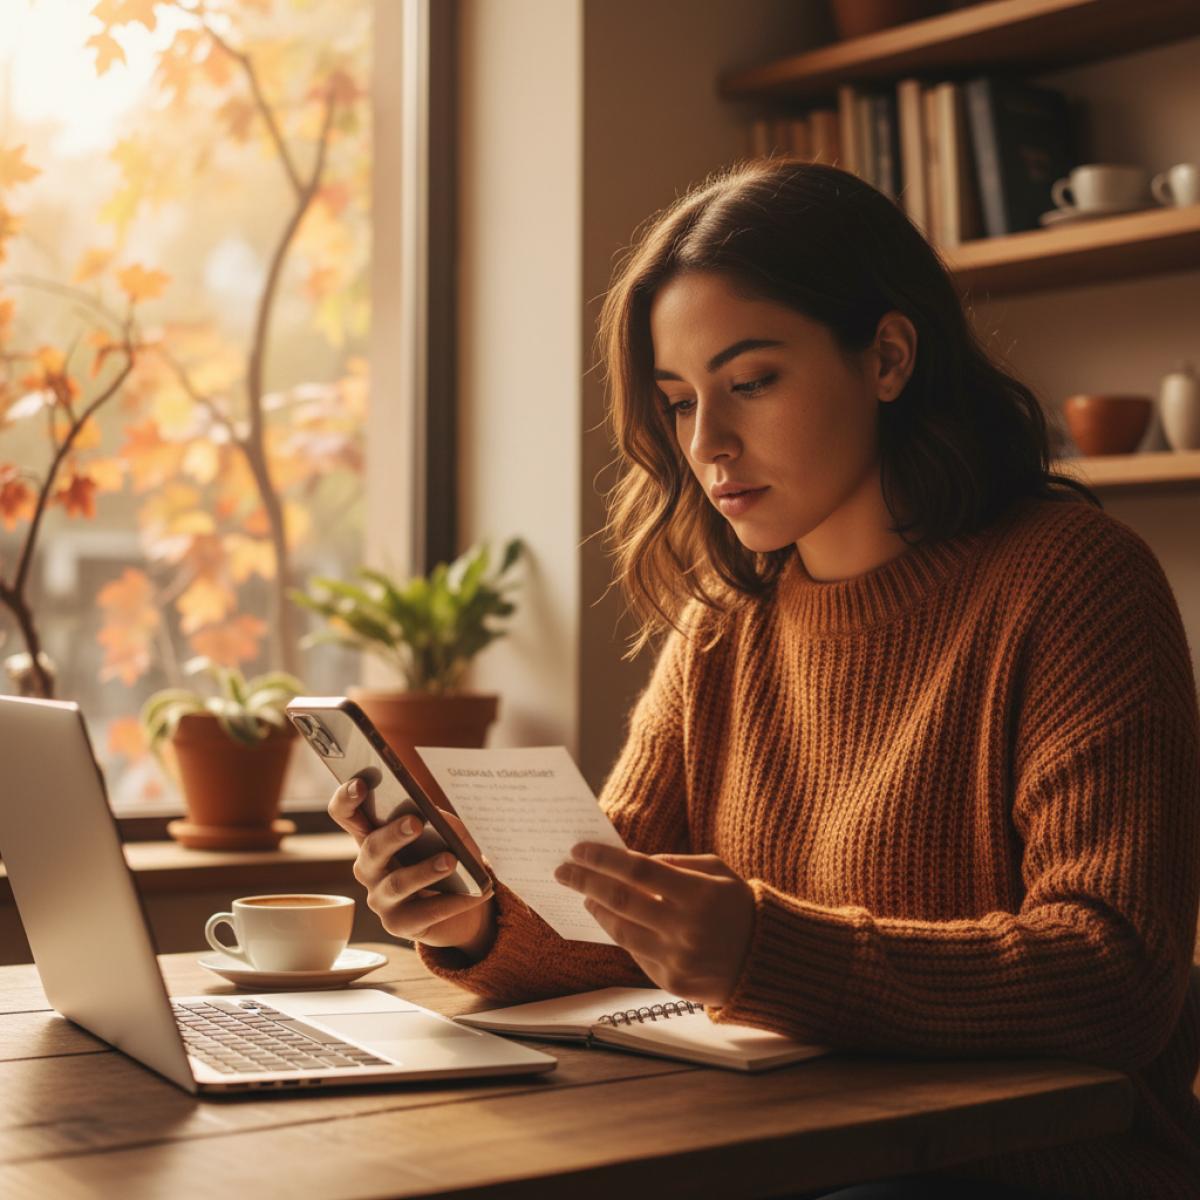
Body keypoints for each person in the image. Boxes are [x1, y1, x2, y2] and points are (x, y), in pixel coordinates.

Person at [328, 158, 1200, 1199]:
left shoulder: (1072, 582)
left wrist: (765, 950)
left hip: (1023, 1168)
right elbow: (618, 918)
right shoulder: (724, 622)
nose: (707, 443)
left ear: (887, 356)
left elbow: (1119, 976)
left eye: (750, 383)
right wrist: (469, 918)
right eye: (679, 400)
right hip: (777, 1146)